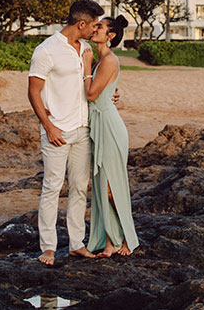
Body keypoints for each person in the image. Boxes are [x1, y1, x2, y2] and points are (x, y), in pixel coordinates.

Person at [27, 0, 104, 265]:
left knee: (80, 189)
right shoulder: (46, 50)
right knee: (52, 187)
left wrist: (109, 95)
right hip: (56, 130)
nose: (95, 30)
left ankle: (75, 243)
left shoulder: (85, 49)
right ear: (81, 24)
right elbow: (33, 91)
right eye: (94, 25)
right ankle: (48, 247)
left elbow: (89, 85)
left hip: (82, 129)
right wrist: (48, 126)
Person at [83, 15, 139, 257]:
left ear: (111, 35)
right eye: (96, 25)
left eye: (100, 27)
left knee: (111, 187)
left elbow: (92, 94)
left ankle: (128, 238)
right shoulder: (98, 60)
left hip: (109, 126)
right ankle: (108, 242)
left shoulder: (108, 60)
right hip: (99, 124)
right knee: (100, 185)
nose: (95, 29)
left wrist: (86, 69)